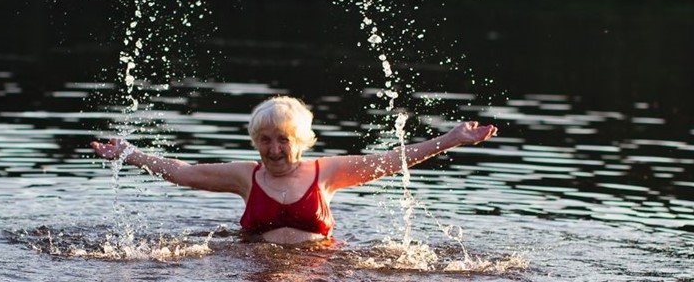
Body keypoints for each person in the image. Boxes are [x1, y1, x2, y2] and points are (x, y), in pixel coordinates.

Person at [91, 96, 497, 245]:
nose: (274, 149)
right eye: (265, 140)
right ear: (256, 141)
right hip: (253, 268)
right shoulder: (244, 177)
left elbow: (392, 160)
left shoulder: (328, 173)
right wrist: (131, 153)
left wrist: (450, 139)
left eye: (283, 140)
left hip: (318, 270)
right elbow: (185, 172)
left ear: (300, 140)